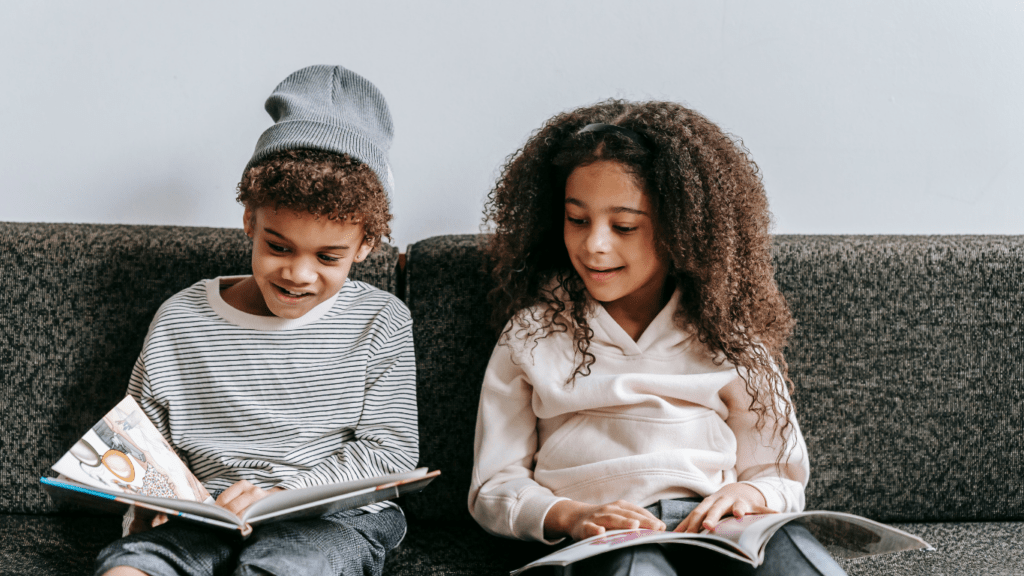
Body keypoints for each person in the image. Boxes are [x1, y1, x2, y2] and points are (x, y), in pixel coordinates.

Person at [468, 100, 847, 575]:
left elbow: (779, 472)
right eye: (577, 219)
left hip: (715, 529)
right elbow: (494, 485)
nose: (594, 245)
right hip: (608, 539)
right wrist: (571, 515)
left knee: (792, 548)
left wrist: (748, 494)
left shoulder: (729, 338)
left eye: (624, 226)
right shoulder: (533, 334)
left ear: (682, 232)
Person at [95, 64, 418, 576]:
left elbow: (390, 452)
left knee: (288, 565)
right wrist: (151, 501)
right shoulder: (183, 317)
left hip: (330, 517)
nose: (298, 274)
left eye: (328, 257)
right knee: (132, 567)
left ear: (366, 245)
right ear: (250, 219)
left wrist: (283, 494)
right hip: (209, 513)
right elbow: (144, 439)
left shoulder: (381, 319)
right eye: (278, 246)